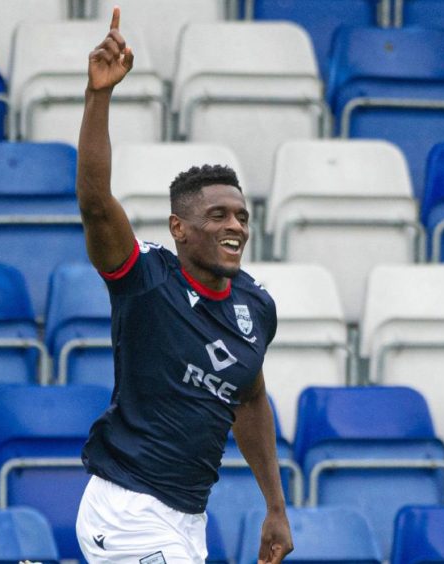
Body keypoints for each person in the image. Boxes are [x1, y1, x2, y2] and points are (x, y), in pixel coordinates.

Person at [73, 7, 293, 564]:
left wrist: (275, 505)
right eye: (218, 216)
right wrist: (99, 97)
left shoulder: (255, 307)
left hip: (188, 518)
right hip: (125, 508)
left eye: (241, 216)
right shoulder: (145, 280)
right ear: (180, 228)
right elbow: (97, 206)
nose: (235, 227)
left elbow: (249, 397)